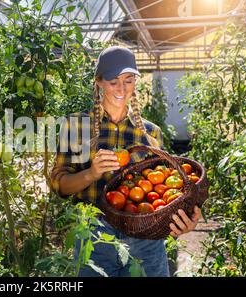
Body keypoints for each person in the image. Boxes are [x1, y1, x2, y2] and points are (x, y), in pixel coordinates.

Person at [49, 46, 202, 277]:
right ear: (99, 82)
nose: (122, 88)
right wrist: (91, 173)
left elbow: (165, 191)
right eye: (113, 81)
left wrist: (184, 218)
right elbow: (59, 186)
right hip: (95, 238)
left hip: (146, 242)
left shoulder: (151, 133)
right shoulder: (77, 126)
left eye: (129, 80)